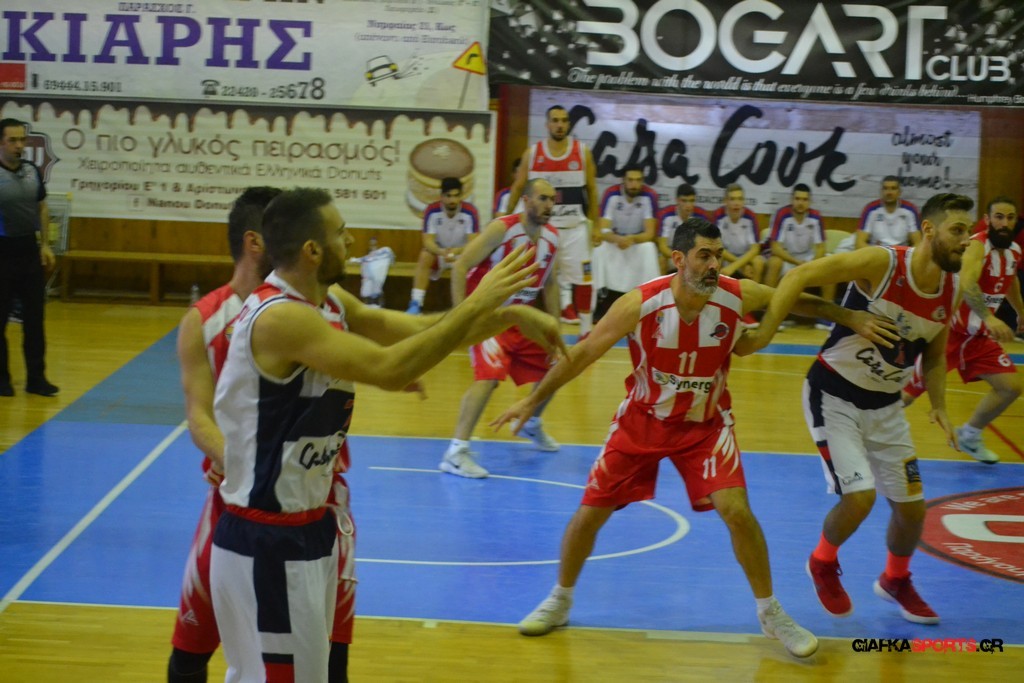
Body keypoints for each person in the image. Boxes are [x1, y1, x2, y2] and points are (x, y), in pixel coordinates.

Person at [492, 218, 894, 658]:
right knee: (589, 515)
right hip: (642, 422)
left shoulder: (736, 294)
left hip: (706, 426)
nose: (714, 265)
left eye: (718, 256)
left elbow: (792, 298)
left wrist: (848, 315)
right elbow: (584, 352)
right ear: (678, 259)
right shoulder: (640, 303)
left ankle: (771, 612)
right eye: (705, 256)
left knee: (737, 511)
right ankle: (560, 599)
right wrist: (532, 401)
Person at [208, 187, 565, 682]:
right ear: (312, 251)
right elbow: (389, 368)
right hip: (266, 536)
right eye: (340, 233)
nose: (351, 240)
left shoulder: (328, 300)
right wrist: (479, 301)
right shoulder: (281, 317)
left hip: (309, 525)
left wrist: (505, 316)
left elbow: (412, 330)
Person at [169, 186, 369, 683]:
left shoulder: (326, 304)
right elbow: (198, 416)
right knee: (190, 652)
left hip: (317, 502)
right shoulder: (204, 320)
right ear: (257, 241)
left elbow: (383, 351)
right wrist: (239, 461)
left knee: (329, 660)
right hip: (240, 505)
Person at [748, 192, 975, 626]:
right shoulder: (882, 263)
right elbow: (798, 275)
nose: (967, 240)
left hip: (886, 406)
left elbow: (935, 355)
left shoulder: (951, 287)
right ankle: (822, 561)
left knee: (912, 510)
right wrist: (772, 333)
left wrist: (940, 406)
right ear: (929, 230)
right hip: (833, 394)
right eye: (958, 230)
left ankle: (895, 579)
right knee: (860, 497)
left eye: (969, 231)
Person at [440, 178, 563, 479]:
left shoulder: (553, 237)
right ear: (526, 200)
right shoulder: (502, 229)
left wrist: (555, 327)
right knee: (489, 377)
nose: (549, 205)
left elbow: (550, 284)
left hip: (519, 317)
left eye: (552, 199)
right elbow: (460, 266)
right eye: (543, 198)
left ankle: (531, 421)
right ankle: (455, 452)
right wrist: (460, 316)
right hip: (487, 316)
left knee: (559, 363)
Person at [902, 195, 1023, 463]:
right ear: (988, 220)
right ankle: (865, 430)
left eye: (1010, 217)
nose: (1004, 223)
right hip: (952, 335)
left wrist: (1020, 311)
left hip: (978, 338)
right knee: (906, 395)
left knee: (1010, 387)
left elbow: (1010, 278)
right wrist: (989, 318)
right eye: (999, 217)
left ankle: (970, 435)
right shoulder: (977, 246)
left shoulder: (1014, 250)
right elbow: (968, 283)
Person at [507, 104, 599, 333]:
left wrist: (596, 225)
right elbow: (517, 188)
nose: (560, 125)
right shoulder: (533, 153)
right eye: (555, 120)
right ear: (547, 124)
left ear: (568, 124)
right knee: (528, 277)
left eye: (564, 120)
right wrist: (506, 219)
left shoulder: (582, 152)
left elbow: (592, 190)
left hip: (575, 228)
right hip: (542, 230)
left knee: (584, 278)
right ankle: (518, 326)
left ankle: (586, 332)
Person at [0, 118, 57, 397]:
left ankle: (37, 378)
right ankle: (2, 380)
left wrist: (45, 244)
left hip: (28, 252)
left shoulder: (31, 171)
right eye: (12, 140)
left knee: (34, 320)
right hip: (2, 252)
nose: (19, 145)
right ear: (1, 143)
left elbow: (42, 207)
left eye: (22, 140)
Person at [590, 165, 661, 322]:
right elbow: (603, 230)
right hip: (615, 241)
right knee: (599, 248)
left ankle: (651, 302)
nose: (634, 184)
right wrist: (617, 239)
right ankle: (601, 299)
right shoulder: (611, 194)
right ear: (623, 180)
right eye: (630, 180)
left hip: (636, 242)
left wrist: (632, 239)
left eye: (638, 180)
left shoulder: (649, 196)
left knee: (649, 248)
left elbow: (650, 233)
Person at [406, 177, 480, 314]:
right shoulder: (432, 210)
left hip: (462, 255)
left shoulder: (470, 211)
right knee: (425, 255)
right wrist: (442, 252)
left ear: (461, 196)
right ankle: (416, 304)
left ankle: (467, 308)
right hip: (440, 253)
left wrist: (456, 252)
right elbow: (428, 241)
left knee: (478, 256)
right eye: (448, 196)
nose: (453, 200)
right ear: (441, 196)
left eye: (456, 196)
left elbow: (474, 242)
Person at [713, 183, 765, 283]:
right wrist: (739, 265)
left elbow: (755, 249)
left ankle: (754, 291)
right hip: (726, 256)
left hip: (745, 258)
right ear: (725, 201)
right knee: (715, 257)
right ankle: (715, 290)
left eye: (740, 199)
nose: (736, 203)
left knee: (758, 262)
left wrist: (736, 265)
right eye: (732, 199)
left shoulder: (750, 216)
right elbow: (716, 246)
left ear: (743, 201)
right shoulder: (718, 215)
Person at [656, 182, 709, 272]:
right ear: (677, 200)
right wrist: (679, 257)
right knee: (662, 260)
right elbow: (663, 246)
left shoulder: (701, 216)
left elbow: (704, 244)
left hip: (692, 256)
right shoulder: (666, 215)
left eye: (691, 201)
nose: (688, 205)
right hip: (672, 254)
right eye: (684, 201)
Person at [856, 176, 921, 249]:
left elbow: (918, 243)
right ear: (881, 191)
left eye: (893, 188)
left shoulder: (910, 210)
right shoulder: (870, 209)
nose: (889, 192)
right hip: (876, 252)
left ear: (899, 192)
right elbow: (859, 243)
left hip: (901, 253)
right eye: (885, 188)